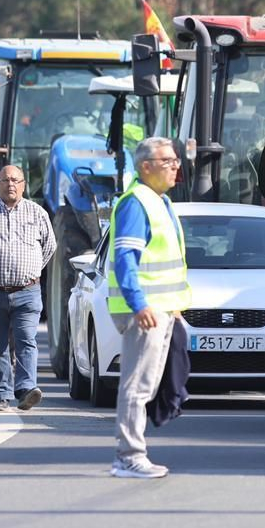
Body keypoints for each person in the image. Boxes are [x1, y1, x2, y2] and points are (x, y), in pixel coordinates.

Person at [107, 136, 191, 479]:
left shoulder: (159, 201)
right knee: (137, 386)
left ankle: (132, 453)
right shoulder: (137, 202)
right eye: (168, 161)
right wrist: (139, 304)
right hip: (147, 310)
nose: (176, 167)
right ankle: (128, 455)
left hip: (162, 309)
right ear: (146, 166)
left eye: (175, 161)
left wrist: (173, 309)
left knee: (148, 385)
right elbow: (126, 259)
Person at [0, 164, 56, 412]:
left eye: (15, 180)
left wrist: (30, 269)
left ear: (24, 184)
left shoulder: (38, 214)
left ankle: (26, 389)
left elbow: (49, 247)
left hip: (27, 291)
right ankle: (1, 396)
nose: (11, 184)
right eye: (5, 180)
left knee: (27, 340)